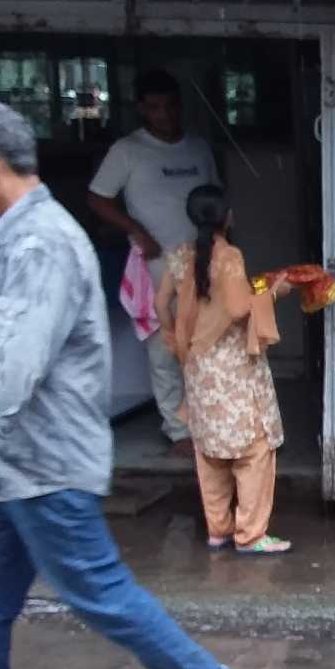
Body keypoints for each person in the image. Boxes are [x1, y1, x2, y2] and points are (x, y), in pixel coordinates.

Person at [0, 103, 261, 669]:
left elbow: (11, 372)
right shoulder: (22, 236)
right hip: (17, 460)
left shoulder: (40, 244)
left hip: (46, 463)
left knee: (98, 590)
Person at [156, 186, 292, 556]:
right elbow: (237, 309)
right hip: (233, 367)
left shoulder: (180, 255)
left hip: (199, 367)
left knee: (210, 451)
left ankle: (218, 530)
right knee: (254, 449)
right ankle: (251, 535)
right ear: (227, 217)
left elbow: (160, 303)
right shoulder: (229, 255)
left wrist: (177, 342)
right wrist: (274, 293)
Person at [88, 69, 219, 453]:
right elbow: (97, 198)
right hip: (157, 263)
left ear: (180, 105)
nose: (164, 114)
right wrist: (136, 231)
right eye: (155, 107)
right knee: (164, 346)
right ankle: (178, 430)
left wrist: (223, 247)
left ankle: (208, 420)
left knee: (205, 343)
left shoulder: (198, 148)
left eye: (170, 106)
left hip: (203, 260)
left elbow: (215, 198)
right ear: (142, 109)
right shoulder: (127, 150)